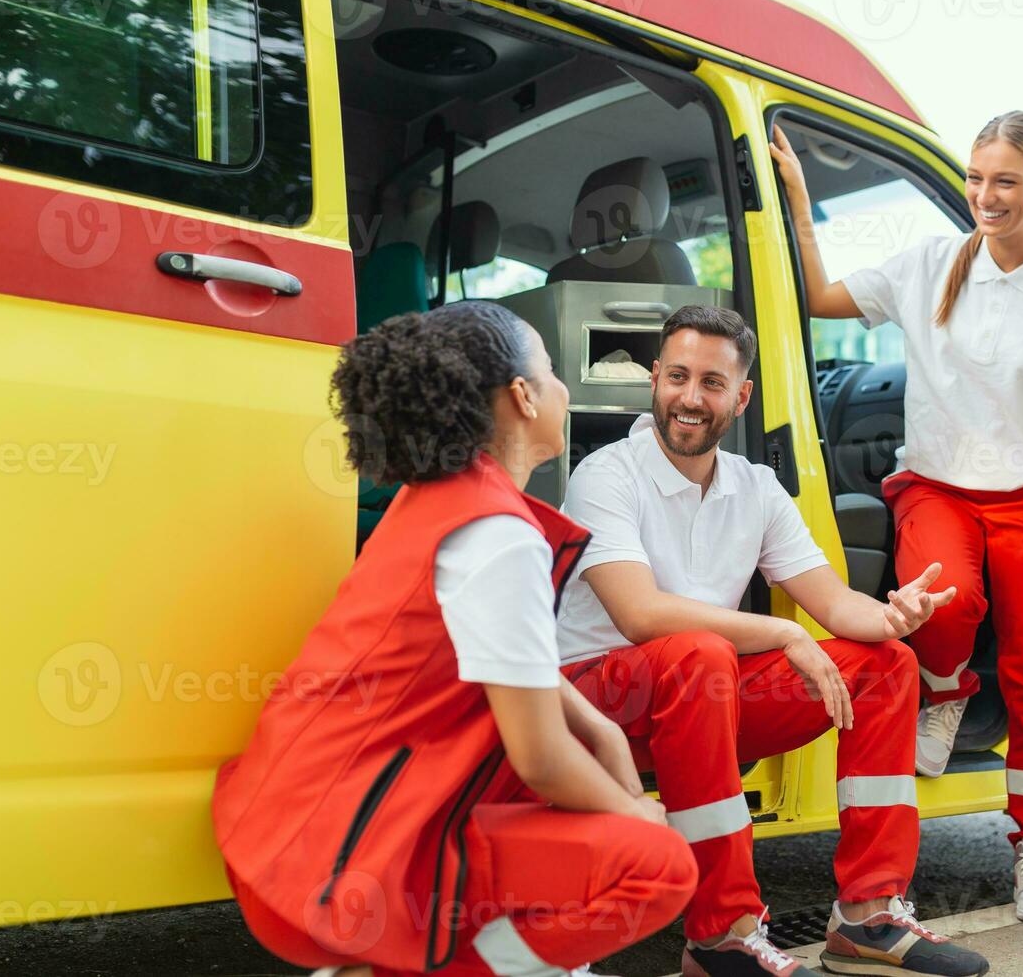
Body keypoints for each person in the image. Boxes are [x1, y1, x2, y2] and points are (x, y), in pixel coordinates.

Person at [212, 302, 697, 977]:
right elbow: (541, 758)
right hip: (340, 867)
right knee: (658, 867)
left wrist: (605, 734)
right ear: (523, 396)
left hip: (299, 841)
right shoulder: (495, 534)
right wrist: (637, 813)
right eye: (552, 373)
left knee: (584, 819)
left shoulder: (448, 502)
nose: (564, 389)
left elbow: (516, 664)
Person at [556, 305, 990, 977]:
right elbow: (640, 614)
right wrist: (784, 632)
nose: (690, 398)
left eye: (711, 382)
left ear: (741, 396)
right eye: (677, 376)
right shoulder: (607, 475)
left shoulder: (755, 487)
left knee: (888, 667)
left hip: (703, 700)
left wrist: (894, 617)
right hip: (595, 707)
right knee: (702, 654)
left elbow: (835, 601)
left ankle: (868, 916)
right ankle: (722, 937)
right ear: (654, 379)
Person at [769, 112, 1023, 924]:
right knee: (945, 604)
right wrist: (796, 198)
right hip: (935, 487)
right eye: (974, 177)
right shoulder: (931, 262)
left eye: (1004, 180)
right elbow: (824, 299)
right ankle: (944, 688)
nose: (984, 195)